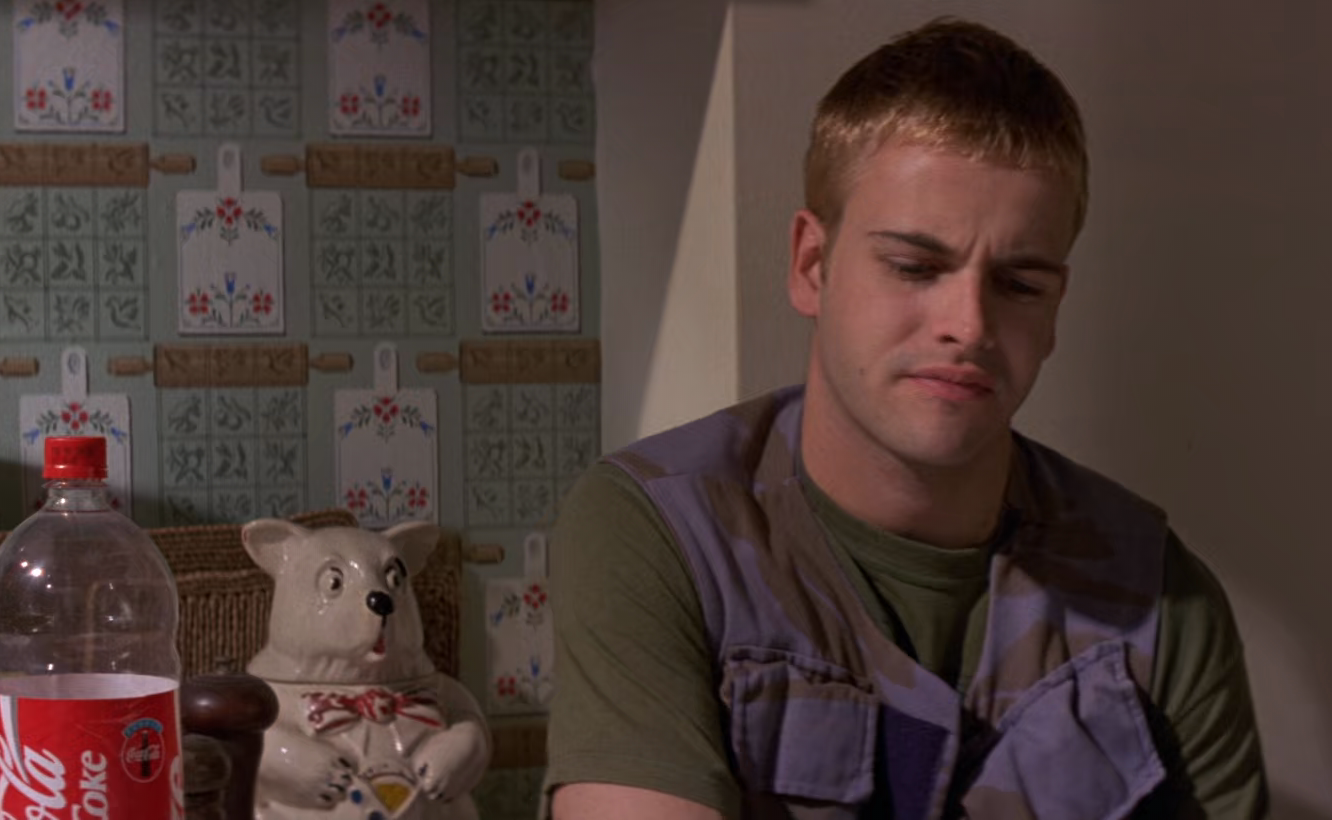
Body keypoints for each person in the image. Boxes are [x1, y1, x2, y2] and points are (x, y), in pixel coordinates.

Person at [542, 15, 1267, 820]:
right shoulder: (665, 533)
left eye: (1019, 284)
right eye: (915, 267)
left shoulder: (1158, 597)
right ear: (812, 266)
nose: (969, 325)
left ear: (1056, 307)